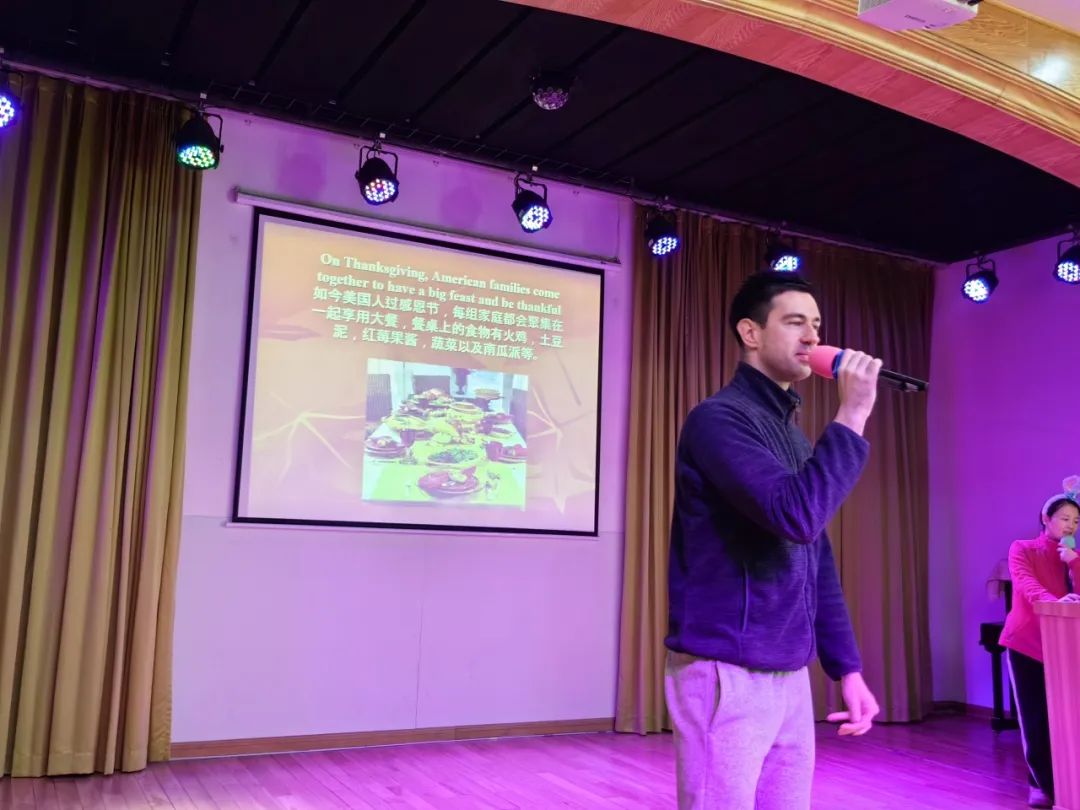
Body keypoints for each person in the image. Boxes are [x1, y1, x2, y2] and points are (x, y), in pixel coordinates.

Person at [665, 271, 882, 810]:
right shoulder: (717, 420)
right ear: (751, 332)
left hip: (788, 673)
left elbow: (816, 558)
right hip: (726, 668)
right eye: (795, 322)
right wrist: (853, 413)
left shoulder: (790, 432)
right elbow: (796, 516)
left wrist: (847, 668)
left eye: (817, 325)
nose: (812, 336)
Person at [999, 477, 1080, 808]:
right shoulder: (1022, 548)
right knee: (1035, 717)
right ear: (1046, 519)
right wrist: (1053, 603)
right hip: (1027, 643)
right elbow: (1025, 584)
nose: (1070, 525)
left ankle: (1069, 783)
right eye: (1064, 518)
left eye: (1076, 521)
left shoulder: (1072, 555)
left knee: (1067, 719)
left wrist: (1073, 561)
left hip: (1065, 648)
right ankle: (1041, 784)